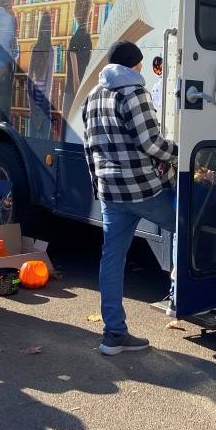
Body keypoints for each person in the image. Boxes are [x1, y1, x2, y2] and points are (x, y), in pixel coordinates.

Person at [82, 41, 178, 355]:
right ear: (134, 65)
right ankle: (182, 296)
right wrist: (181, 154)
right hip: (142, 189)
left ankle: (113, 334)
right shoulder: (134, 93)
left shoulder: (93, 97)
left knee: (112, 259)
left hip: (110, 192)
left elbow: (89, 148)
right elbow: (151, 143)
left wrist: (98, 186)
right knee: (188, 225)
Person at [62, 0, 94, 121]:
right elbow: (81, 74)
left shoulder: (80, 39)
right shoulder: (84, 38)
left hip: (74, 93)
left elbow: (78, 75)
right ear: (89, 10)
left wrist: (80, 99)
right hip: (78, 94)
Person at [28, 10, 55, 139]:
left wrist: (33, 112)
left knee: (30, 149)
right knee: (44, 151)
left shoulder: (34, 49)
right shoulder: (50, 51)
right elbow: (49, 87)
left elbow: (29, 83)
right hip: (45, 108)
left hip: (34, 107)